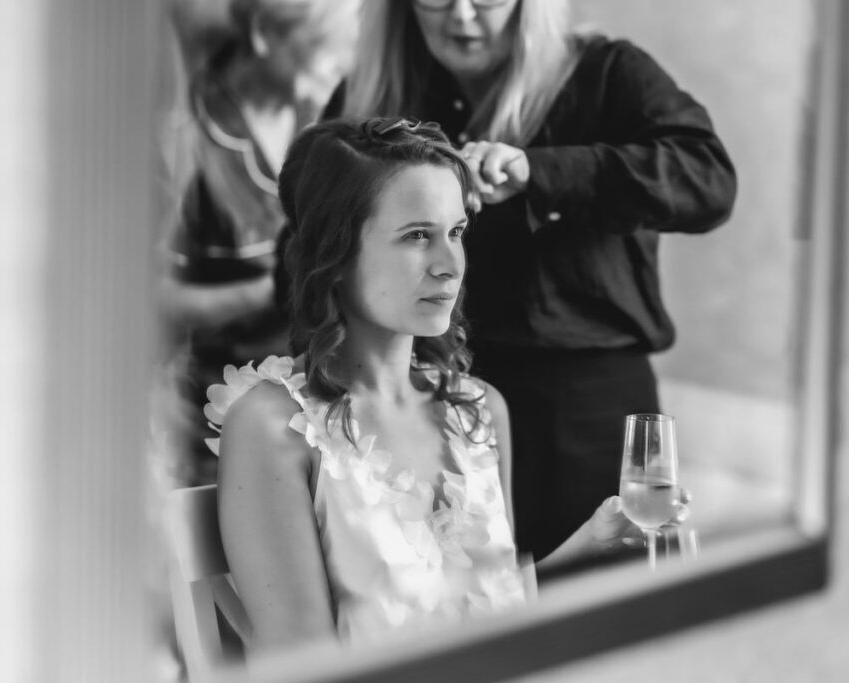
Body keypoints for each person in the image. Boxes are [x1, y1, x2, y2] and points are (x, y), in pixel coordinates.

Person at [207, 117, 654, 655]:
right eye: (417, 235)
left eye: (457, 233)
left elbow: (487, 613)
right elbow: (301, 663)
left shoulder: (479, 410)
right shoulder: (273, 426)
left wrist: (590, 546)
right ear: (336, 254)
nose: (450, 265)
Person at [320, 0, 737, 562]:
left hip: (584, 408)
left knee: (600, 621)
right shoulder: (368, 97)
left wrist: (540, 173)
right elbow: (309, 248)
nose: (461, 17)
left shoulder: (607, 73)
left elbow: (707, 180)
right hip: (432, 407)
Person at [157, 0, 358, 487]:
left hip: (314, 405)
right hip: (207, 421)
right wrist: (275, 289)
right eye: (323, 54)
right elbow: (148, 303)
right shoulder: (182, 138)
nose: (340, 68)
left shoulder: (324, 114)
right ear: (265, 34)